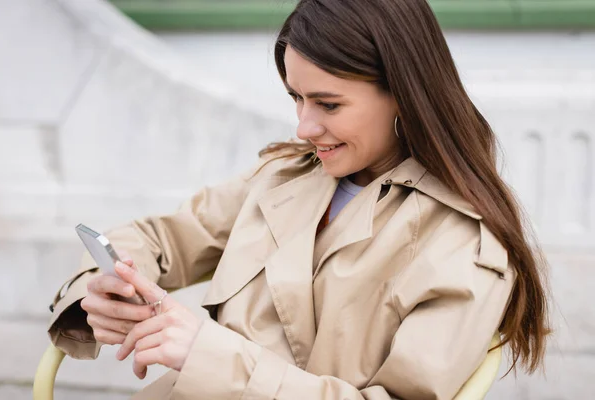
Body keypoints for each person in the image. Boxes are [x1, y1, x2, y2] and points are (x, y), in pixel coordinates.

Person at [47, 0, 551, 398]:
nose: (304, 126)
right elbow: (159, 239)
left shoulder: (462, 243)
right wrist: (104, 289)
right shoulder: (284, 177)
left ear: (405, 92)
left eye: (328, 104)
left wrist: (208, 355)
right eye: (296, 96)